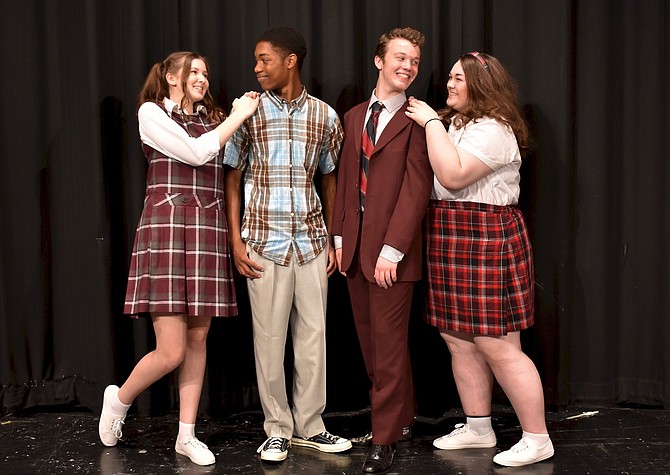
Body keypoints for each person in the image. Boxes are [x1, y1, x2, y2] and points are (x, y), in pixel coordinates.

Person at [98, 51, 260, 467]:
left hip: (205, 231)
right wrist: (239, 116)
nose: (202, 78)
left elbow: (225, 162)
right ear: (171, 76)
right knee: (170, 350)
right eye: (194, 72)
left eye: (206, 72)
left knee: (197, 340)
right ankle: (118, 400)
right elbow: (195, 152)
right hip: (168, 230)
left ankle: (186, 434)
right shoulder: (151, 113)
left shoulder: (213, 117)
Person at [405, 52, 554, 467]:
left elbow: (452, 177)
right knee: (457, 339)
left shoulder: (493, 130)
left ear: (482, 86)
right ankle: (478, 426)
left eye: (458, 79)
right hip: (449, 233)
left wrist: (431, 123)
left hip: (486, 235)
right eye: (449, 78)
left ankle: (538, 438)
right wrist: (439, 123)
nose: (449, 85)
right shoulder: (456, 124)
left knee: (498, 344)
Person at [223, 26, 351, 463]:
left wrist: (334, 240)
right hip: (263, 241)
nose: (257, 68)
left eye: (264, 59)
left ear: (290, 60)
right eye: (256, 60)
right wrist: (236, 238)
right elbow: (232, 176)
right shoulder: (249, 112)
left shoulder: (325, 117)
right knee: (270, 340)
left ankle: (310, 427)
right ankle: (276, 428)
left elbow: (330, 178)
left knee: (314, 338)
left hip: (312, 243)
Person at [332, 27, 433, 474]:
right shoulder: (354, 116)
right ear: (379, 61)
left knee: (389, 349)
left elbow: (416, 192)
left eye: (413, 60)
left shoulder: (418, 120)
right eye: (400, 57)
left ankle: (385, 438)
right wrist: (338, 238)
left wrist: (393, 250)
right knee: (373, 348)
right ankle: (401, 419)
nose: (407, 66)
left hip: (392, 255)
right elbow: (344, 183)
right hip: (353, 251)